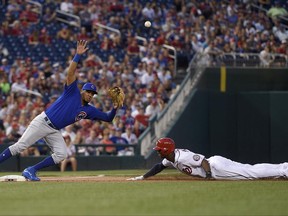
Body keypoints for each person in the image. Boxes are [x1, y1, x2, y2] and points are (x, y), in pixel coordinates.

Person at [0, 40, 119, 181]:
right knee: (19, 146)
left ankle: (31, 170)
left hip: (54, 130)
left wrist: (115, 108)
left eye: (92, 94)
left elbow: (108, 118)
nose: (90, 95)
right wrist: (77, 55)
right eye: (88, 92)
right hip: (42, 122)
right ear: (83, 91)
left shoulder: (89, 110)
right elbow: (70, 73)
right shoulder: (72, 92)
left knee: (61, 154)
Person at [128, 137, 288, 181]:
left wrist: (210, 175)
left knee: (250, 173)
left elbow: (202, 161)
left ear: (166, 150)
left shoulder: (182, 157)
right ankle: (283, 168)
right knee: (249, 168)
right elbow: (158, 167)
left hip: (216, 168)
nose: (157, 152)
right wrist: (143, 177)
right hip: (217, 163)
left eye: (159, 150)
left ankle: (283, 169)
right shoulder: (171, 157)